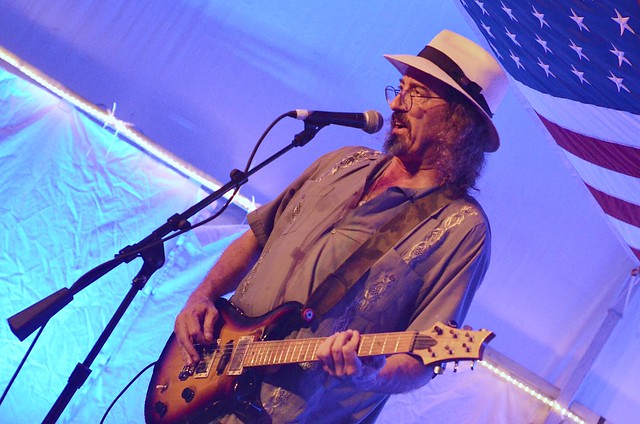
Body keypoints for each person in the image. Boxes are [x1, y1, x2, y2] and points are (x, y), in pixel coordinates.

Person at [173, 29, 508, 423]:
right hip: (205, 383)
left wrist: (370, 373)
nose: (396, 103)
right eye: (400, 88)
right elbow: (256, 239)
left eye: (417, 93)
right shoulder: (342, 162)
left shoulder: (461, 228)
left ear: (458, 122)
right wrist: (203, 295)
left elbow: (421, 360)